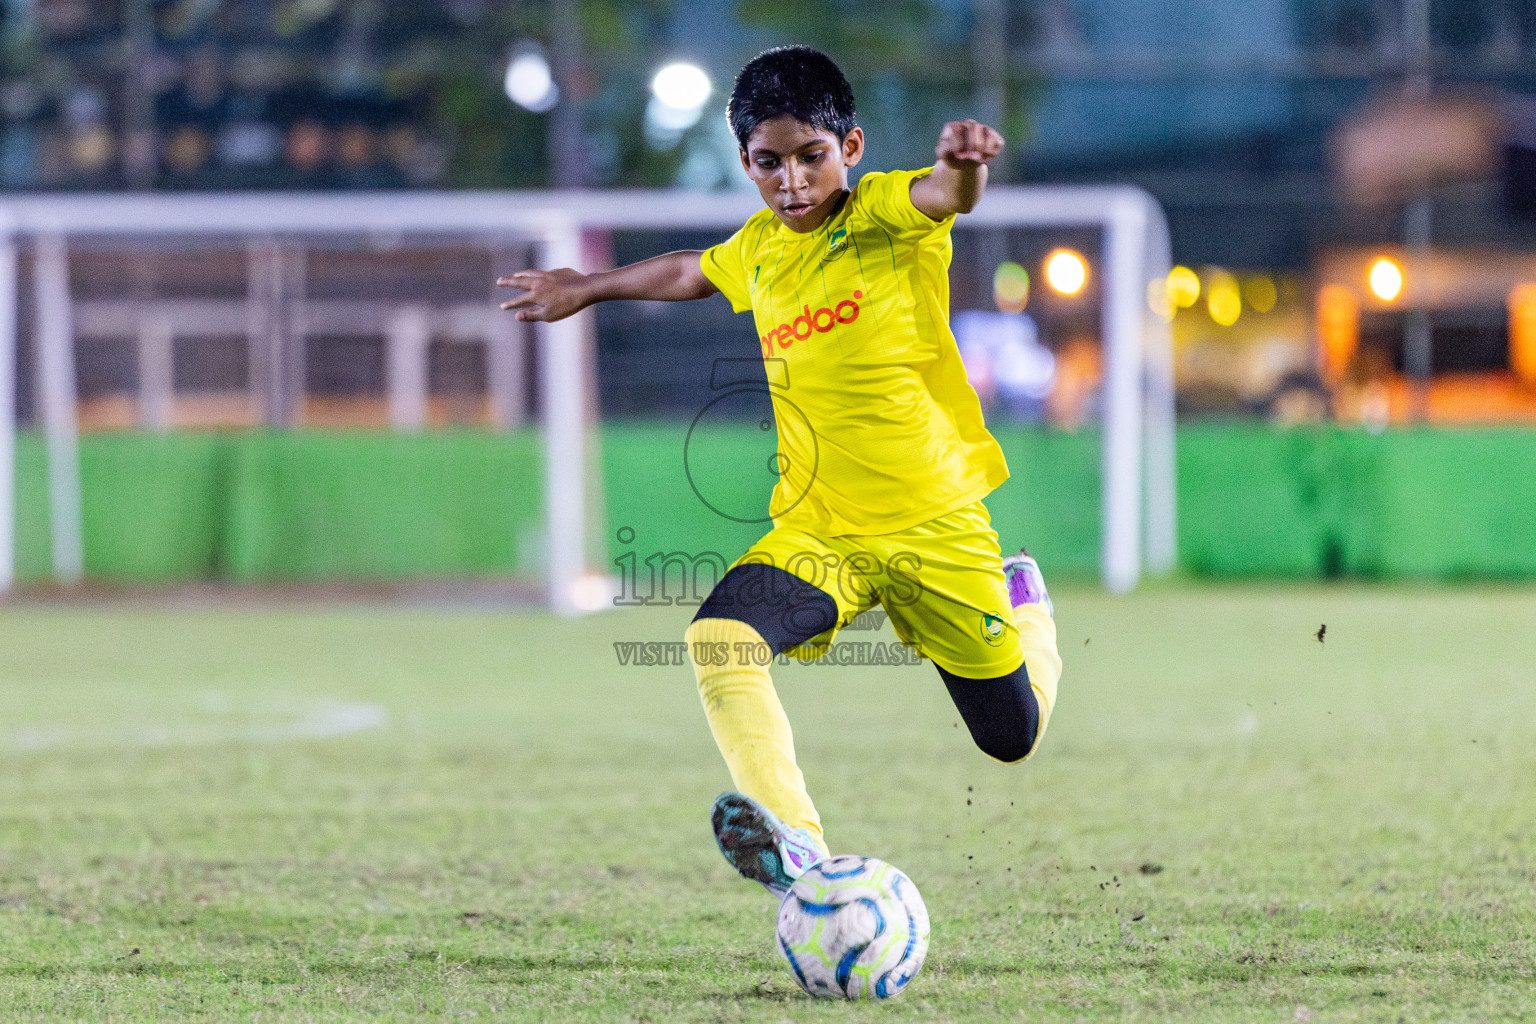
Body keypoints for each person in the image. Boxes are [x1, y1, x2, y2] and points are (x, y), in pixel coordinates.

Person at [497, 45, 1062, 898]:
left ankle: (1026, 606)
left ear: (853, 149)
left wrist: (961, 166)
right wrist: (590, 285)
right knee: (720, 638)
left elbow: (945, 196)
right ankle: (798, 845)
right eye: (771, 163)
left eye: (811, 157)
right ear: (746, 163)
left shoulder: (882, 214)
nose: (793, 182)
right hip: (821, 527)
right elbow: (692, 268)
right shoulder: (760, 248)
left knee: (1011, 737)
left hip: (934, 524)